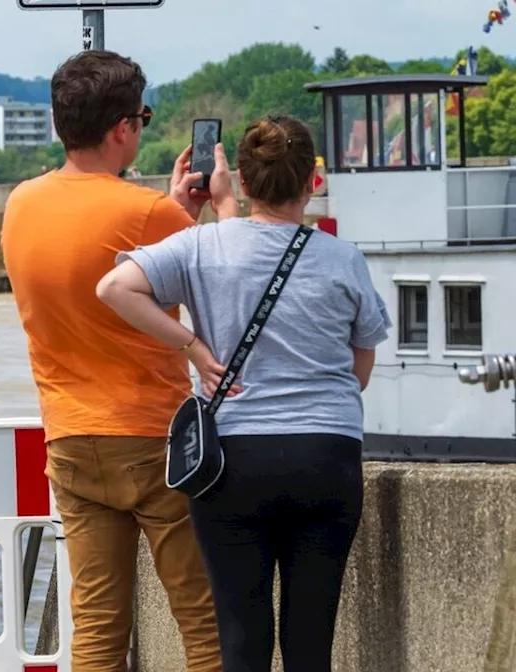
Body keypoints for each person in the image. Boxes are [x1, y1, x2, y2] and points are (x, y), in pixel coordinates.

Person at [96, 116, 391, 671]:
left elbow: (115, 287)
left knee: (240, 637)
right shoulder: (342, 258)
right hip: (325, 455)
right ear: (313, 183)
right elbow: (362, 367)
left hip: (232, 460)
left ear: (244, 184)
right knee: (310, 641)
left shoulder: (201, 245)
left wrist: (191, 346)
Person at [0, 49, 222, 671]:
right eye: (143, 118)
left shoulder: (21, 203)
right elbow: (207, 272)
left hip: (70, 437)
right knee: (202, 617)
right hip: (152, 438)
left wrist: (175, 209)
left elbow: (100, 253)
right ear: (123, 127)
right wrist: (192, 206)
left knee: (97, 623)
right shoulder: (148, 212)